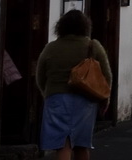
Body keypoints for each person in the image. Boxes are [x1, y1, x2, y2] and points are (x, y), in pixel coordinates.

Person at [36, 10, 112, 160]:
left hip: (56, 99)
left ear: (61, 27)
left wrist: (47, 94)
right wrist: (105, 99)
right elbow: (106, 75)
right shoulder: (93, 46)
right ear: (85, 26)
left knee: (63, 145)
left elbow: (40, 76)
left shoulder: (51, 48)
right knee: (81, 145)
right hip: (85, 100)